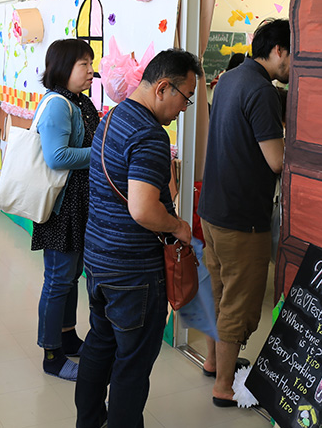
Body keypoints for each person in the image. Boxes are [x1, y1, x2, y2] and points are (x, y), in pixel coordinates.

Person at [76, 49, 201, 428]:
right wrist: (178, 227)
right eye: (186, 98)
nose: (184, 109)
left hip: (99, 258)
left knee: (100, 343)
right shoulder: (149, 134)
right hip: (133, 271)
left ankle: (89, 421)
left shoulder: (113, 116)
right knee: (132, 363)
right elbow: (143, 209)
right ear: (163, 88)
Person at [197, 18, 292, 408]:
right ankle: (224, 386)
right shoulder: (262, 91)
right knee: (238, 302)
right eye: (295, 55)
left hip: (212, 208)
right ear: (279, 51)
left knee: (219, 293)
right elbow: (276, 160)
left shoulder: (230, 78)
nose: (295, 66)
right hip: (242, 217)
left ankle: (212, 361)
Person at [31, 39, 99, 381]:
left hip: (80, 203)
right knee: (58, 280)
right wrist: (101, 153)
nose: (90, 71)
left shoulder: (80, 101)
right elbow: (57, 157)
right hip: (62, 206)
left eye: (90, 63)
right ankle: (51, 354)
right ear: (62, 68)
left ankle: (68, 336)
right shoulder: (58, 105)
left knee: (70, 277)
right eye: (83, 64)